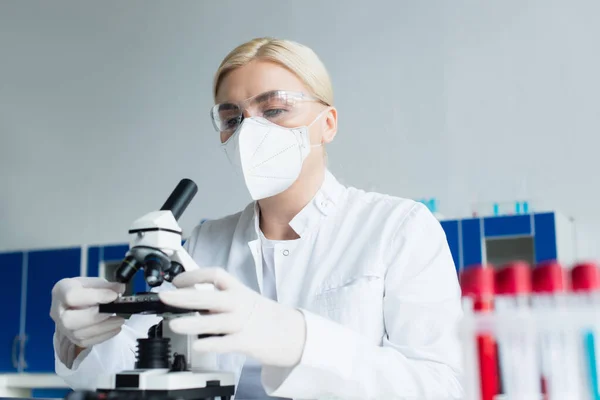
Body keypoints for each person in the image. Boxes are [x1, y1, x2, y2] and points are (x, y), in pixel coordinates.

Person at [50, 37, 464, 399]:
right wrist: (86, 338)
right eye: (233, 119)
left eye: (275, 109)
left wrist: (293, 337)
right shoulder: (207, 242)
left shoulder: (398, 228)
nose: (250, 132)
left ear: (328, 124)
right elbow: (153, 362)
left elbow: (441, 386)